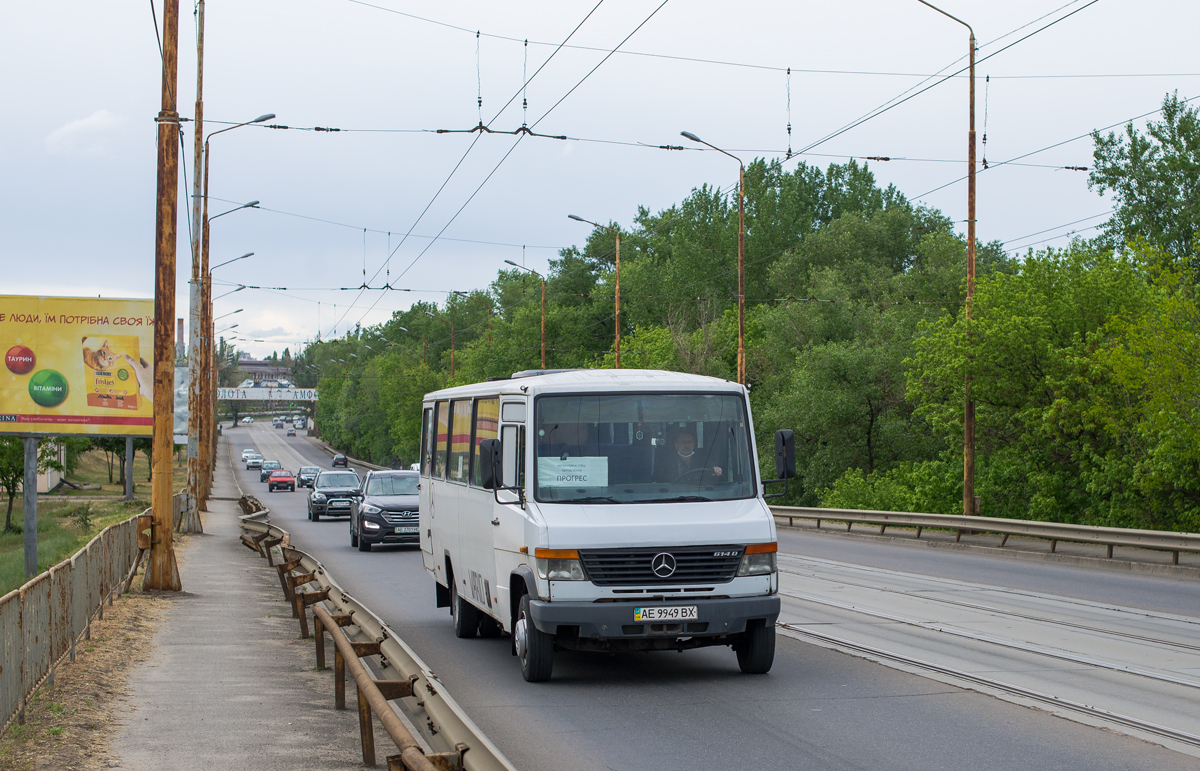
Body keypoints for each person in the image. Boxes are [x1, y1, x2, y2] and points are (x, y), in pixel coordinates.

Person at [657, 429, 722, 483]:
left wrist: (717, 472)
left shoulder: (703, 461)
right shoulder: (666, 464)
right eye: (683, 442)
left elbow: (711, 481)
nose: (686, 445)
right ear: (676, 445)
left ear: (693, 444)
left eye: (689, 442)